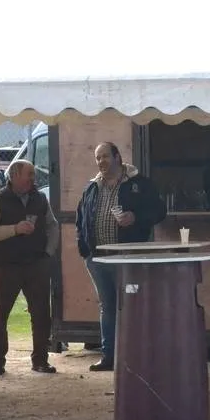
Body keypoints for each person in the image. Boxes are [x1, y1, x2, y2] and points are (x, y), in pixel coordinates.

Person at [75, 142, 166, 372]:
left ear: (118, 157)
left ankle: (136, 355)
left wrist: (135, 217)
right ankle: (109, 356)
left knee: (132, 305)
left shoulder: (138, 184)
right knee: (107, 306)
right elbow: (80, 218)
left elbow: (159, 211)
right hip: (98, 258)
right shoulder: (92, 188)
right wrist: (85, 250)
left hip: (128, 257)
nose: (101, 162)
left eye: (105, 156)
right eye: (98, 158)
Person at [0, 160, 60, 375]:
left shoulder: (40, 199)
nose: (33, 178)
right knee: (0, 315)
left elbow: (53, 226)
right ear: (14, 176)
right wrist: (15, 229)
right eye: (29, 174)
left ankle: (41, 360)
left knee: (42, 314)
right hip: (7, 265)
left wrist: (48, 253)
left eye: (33, 174)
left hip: (36, 264)